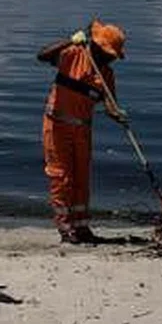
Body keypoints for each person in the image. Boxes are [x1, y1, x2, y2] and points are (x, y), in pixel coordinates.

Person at [36, 19, 127, 244]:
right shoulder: (73, 54)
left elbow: (110, 104)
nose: (112, 59)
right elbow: (42, 55)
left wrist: (118, 114)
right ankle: (65, 227)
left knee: (81, 179)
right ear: (98, 48)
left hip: (83, 129)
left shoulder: (106, 75)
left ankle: (82, 226)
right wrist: (70, 41)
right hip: (57, 126)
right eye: (110, 54)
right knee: (61, 177)